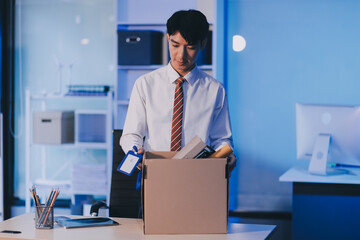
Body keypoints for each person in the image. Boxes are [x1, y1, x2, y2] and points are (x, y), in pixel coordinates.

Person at [120, 9, 237, 173]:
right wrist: (134, 149)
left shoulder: (215, 90)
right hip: (155, 171)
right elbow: (131, 133)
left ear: (202, 44)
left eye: (190, 47)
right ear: (168, 39)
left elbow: (221, 137)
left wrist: (227, 151)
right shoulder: (145, 84)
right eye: (175, 45)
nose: (181, 55)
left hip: (198, 174)